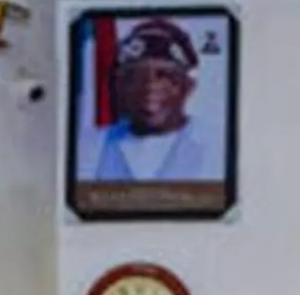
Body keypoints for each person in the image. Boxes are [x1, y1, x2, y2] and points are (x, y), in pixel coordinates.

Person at [84, 17, 222, 183]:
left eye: (164, 76)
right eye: (135, 77)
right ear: (120, 85)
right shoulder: (91, 147)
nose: (149, 86)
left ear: (188, 86)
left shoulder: (218, 147)